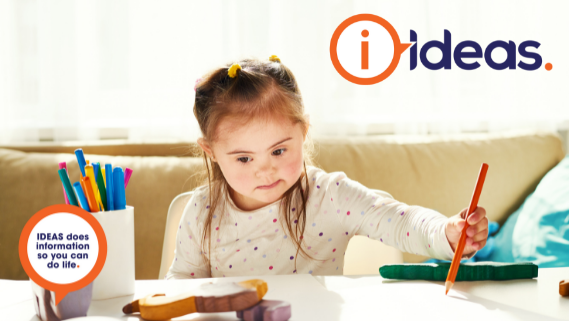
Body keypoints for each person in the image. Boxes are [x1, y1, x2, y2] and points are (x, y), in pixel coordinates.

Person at [166, 55, 488, 279]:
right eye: (244, 158)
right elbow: (183, 281)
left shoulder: (330, 196)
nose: (265, 171)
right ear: (210, 152)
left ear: (303, 133)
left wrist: (447, 232)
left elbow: (400, 221)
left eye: (278, 151)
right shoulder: (202, 210)